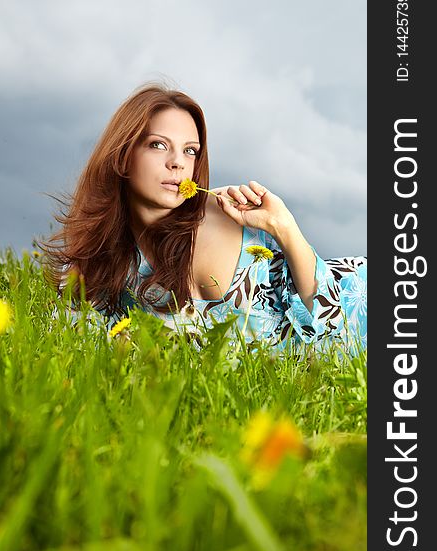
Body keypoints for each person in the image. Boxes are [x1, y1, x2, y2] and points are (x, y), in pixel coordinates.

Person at [41, 82, 367, 354]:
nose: (178, 163)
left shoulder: (228, 214)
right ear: (123, 157)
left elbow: (329, 319)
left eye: (190, 151)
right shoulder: (102, 261)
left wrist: (283, 225)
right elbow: (71, 347)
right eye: (158, 145)